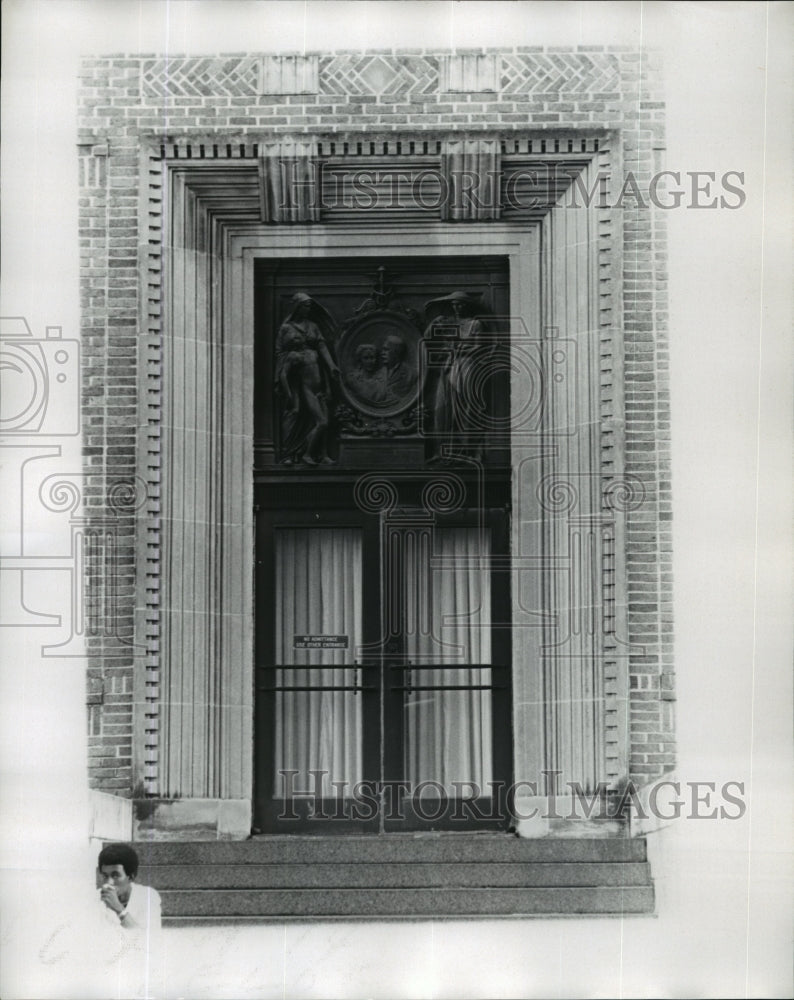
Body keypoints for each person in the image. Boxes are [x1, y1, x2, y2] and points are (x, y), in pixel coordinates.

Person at [274, 292, 340, 464]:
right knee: (306, 416)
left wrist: (331, 365)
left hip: (319, 376)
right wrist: (291, 360)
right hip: (301, 381)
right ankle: (296, 453)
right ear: (297, 307)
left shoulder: (312, 326)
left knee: (324, 416)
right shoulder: (286, 329)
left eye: (310, 306)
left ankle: (322, 453)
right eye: (305, 306)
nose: (308, 309)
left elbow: (321, 345)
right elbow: (280, 353)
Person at [98, 842, 161, 933]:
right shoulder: (95, 899)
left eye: (115, 876)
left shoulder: (148, 896)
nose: (109, 882)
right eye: (105, 876)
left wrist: (119, 909)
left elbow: (150, 941)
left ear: (131, 877)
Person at [380, 334, 416, 402]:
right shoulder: (378, 373)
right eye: (382, 349)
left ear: (396, 352)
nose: (382, 353)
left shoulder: (411, 374)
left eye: (386, 349)